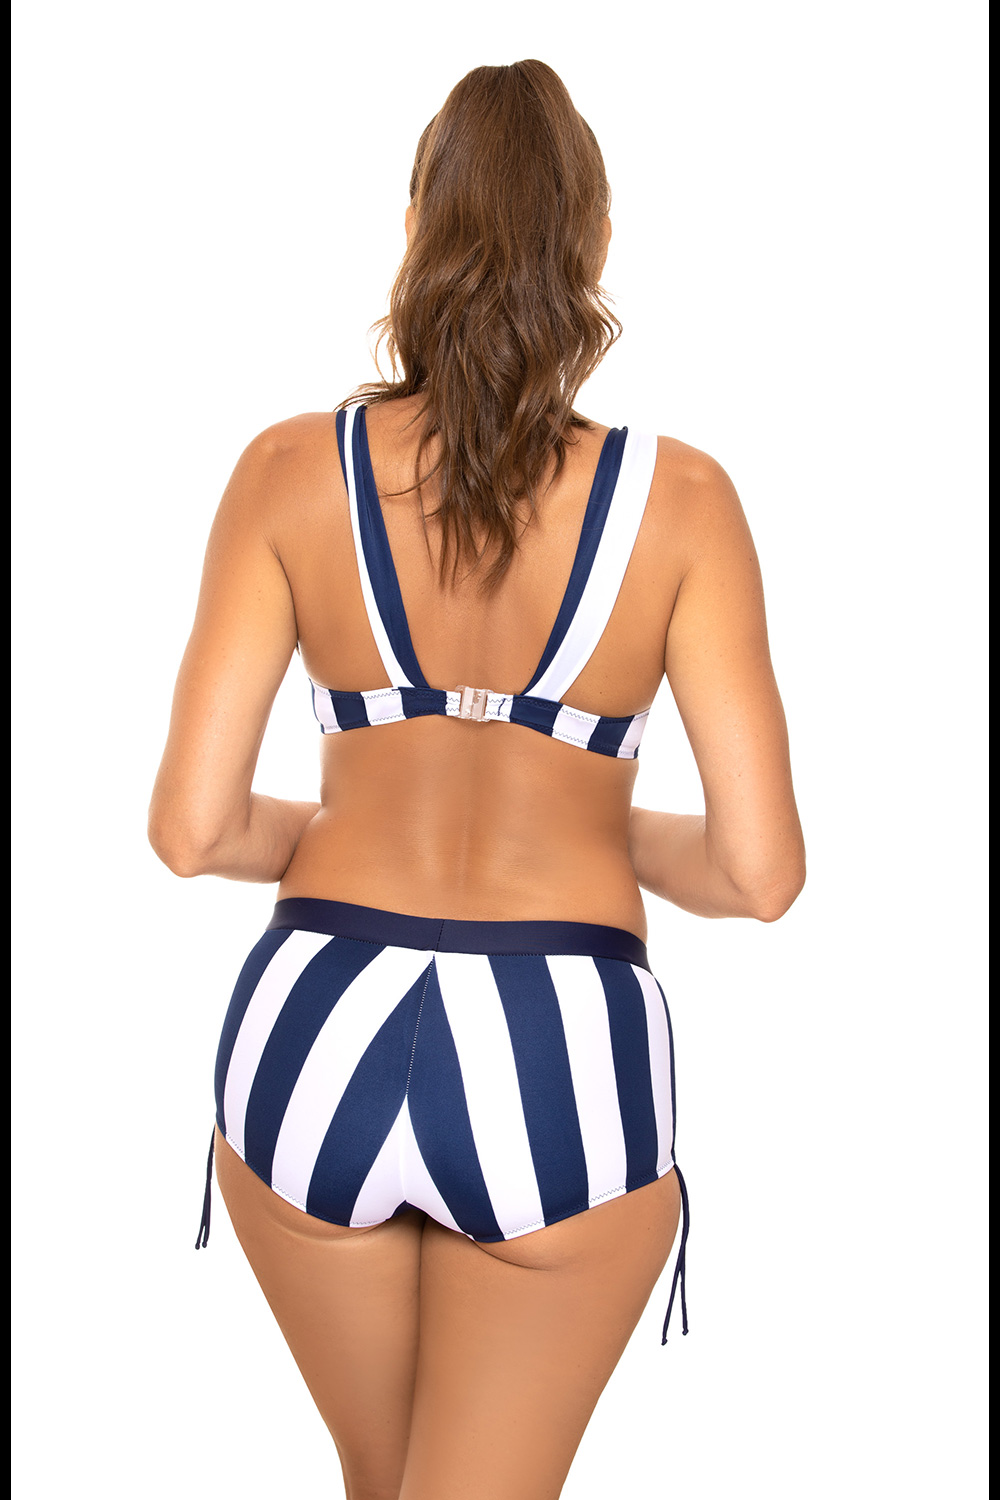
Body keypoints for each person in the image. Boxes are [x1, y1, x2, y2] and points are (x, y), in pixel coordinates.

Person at [149, 58, 805, 1500]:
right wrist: (596, 826)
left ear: (413, 227)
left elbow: (192, 831)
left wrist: (336, 823)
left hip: (314, 1027)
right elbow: (759, 874)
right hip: (554, 1042)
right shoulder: (684, 504)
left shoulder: (286, 471)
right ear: (596, 243)